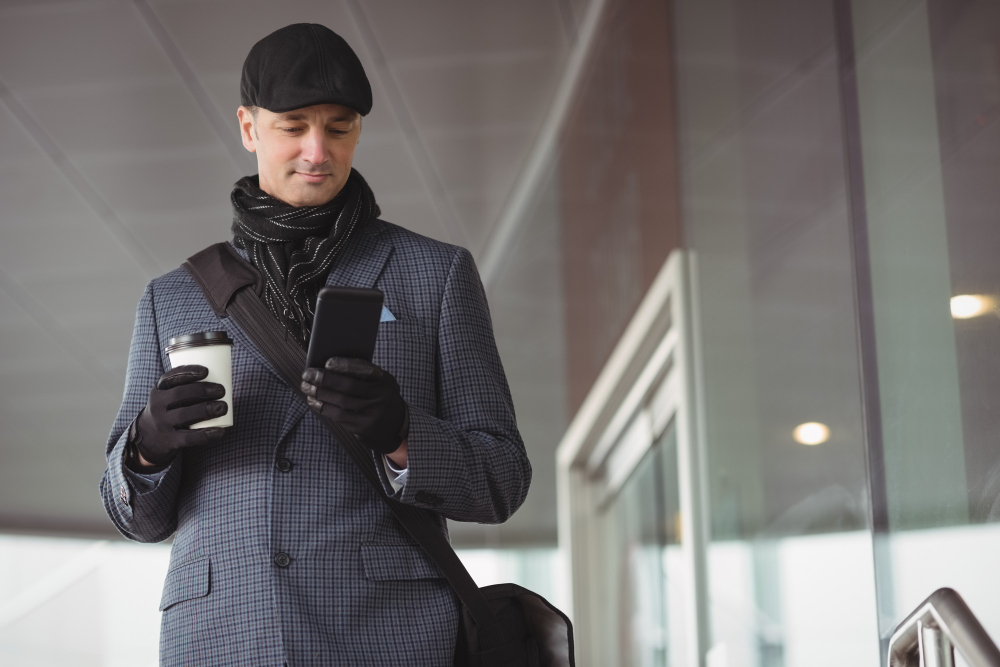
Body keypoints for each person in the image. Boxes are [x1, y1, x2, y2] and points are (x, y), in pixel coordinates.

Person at [99, 23, 531, 666]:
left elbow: (502, 479)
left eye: (339, 126)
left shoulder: (436, 275)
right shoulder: (174, 297)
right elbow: (135, 517)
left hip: (388, 639)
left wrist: (402, 435)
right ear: (249, 127)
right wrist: (148, 446)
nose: (317, 150)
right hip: (223, 636)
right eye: (293, 125)